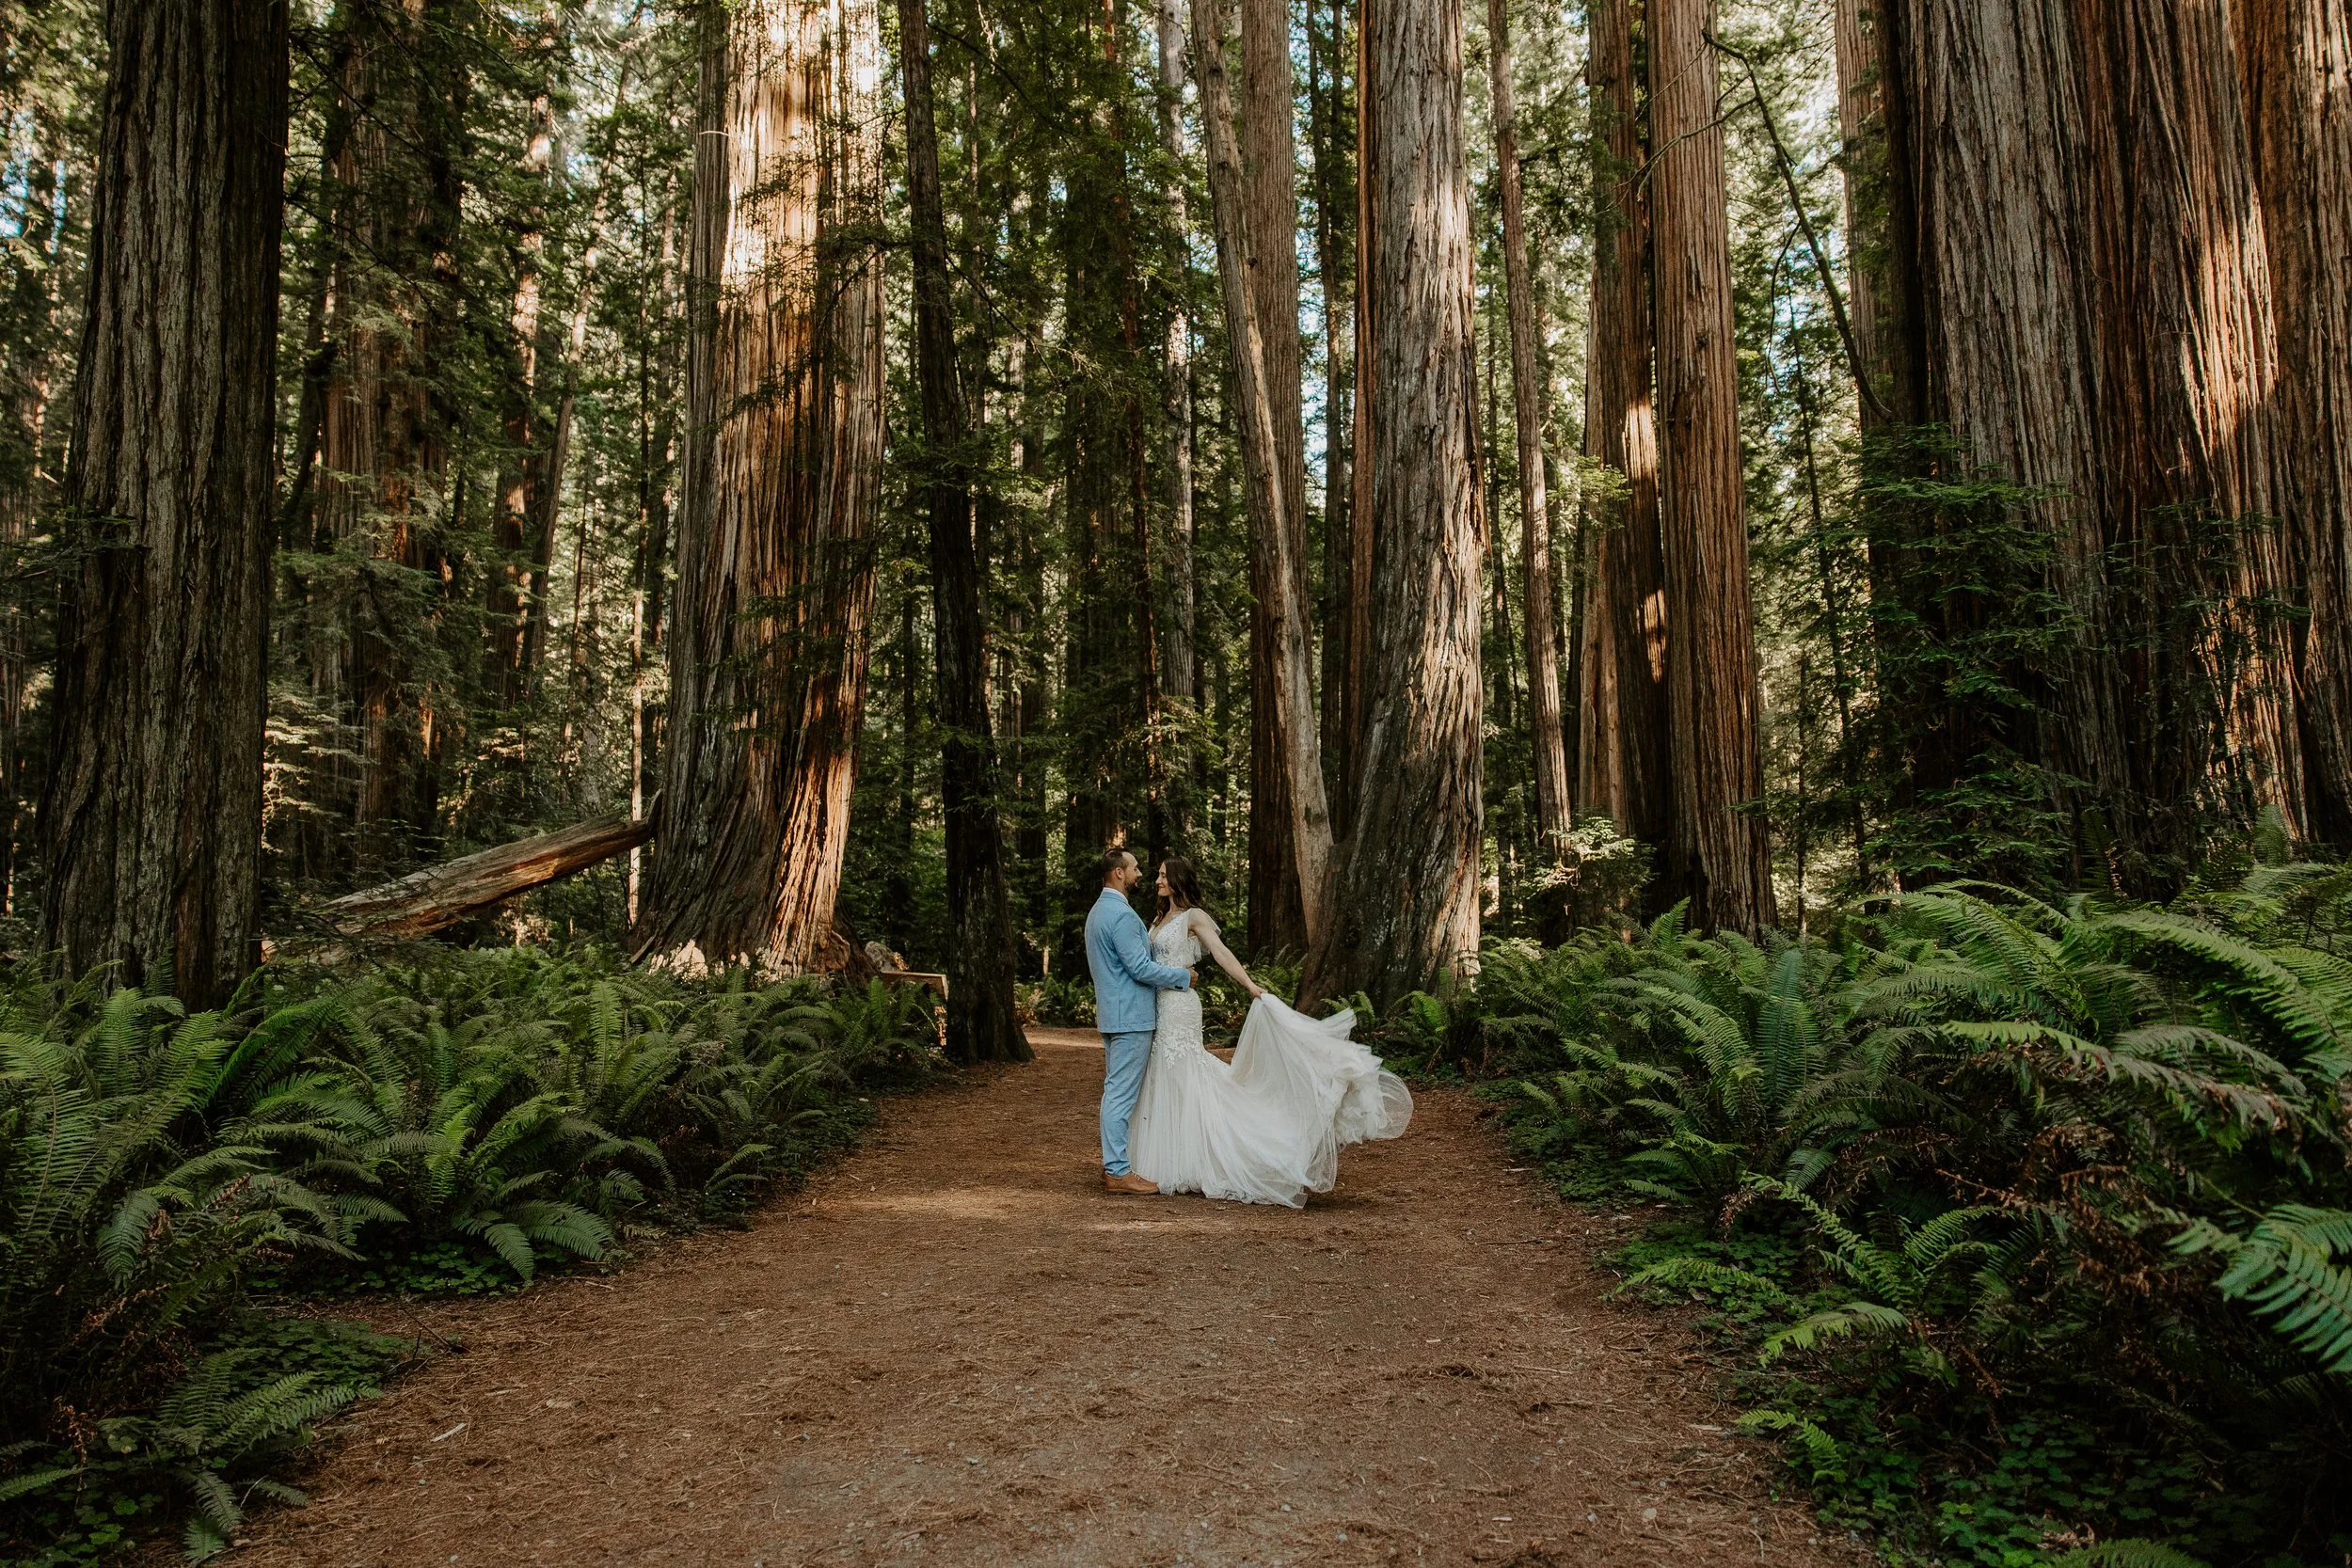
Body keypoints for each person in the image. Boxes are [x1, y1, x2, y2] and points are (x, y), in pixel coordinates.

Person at [1126, 857, 1412, 1207]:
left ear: (1179, 881)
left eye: (1163, 875)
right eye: (1157, 875)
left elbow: (1220, 953)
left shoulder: (1193, 917)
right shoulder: (1157, 920)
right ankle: (1169, 1158)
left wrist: (1250, 986)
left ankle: (1225, 1155)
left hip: (1181, 1006)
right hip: (1158, 1006)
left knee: (1184, 1072)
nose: (1157, 880)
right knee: (1165, 1075)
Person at [1082, 847, 1195, 1195]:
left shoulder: (1097, 912)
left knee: (1115, 1091)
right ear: (1118, 873)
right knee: (1119, 1094)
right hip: (1131, 1018)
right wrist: (1183, 975)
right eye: (1133, 868)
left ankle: (1118, 1165)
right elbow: (1140, 968)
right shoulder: (1123, 916)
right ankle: (1117, 1171)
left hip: (1113, 1015)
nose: (1140, 874)